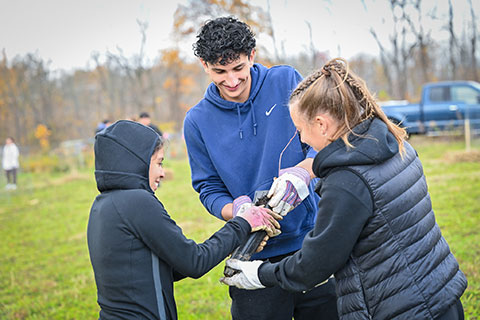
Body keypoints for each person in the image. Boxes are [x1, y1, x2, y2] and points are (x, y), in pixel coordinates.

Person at [221, 58, 468, 320]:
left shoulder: (347, 182)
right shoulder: (393, 144)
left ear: (322, 124)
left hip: (402, 310)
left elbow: (314, 265)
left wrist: (258, 274)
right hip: (439, 295)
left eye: (300, 129)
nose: (302, 139)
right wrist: (310, 170)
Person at [183, 16, 338, 319]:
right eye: (219, 71)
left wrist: (304, 172)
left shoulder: (286, 81)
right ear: (204, 65)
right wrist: (237, 210)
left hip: (312, 242)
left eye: (238, 68)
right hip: (252, 255)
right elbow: (208, 188)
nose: (231, 81)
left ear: (252, 56)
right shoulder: (197, 121)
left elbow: (321, 139)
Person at [87, 120, 280, 320]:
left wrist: (231, 245)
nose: (162, 173)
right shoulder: (137, 201)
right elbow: (193, 262)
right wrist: (243, 222)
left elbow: (169, 268)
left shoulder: (103, 206)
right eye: (159, 162)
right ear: (136, 160)